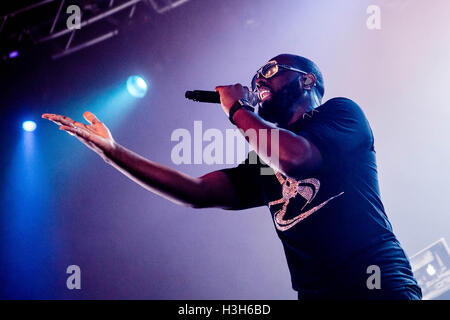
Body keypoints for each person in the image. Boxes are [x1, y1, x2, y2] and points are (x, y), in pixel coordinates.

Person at [42, 53, 422, 300]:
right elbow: (198, 192)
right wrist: (114, 153)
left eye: (270, 72)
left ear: (306, 81)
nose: (259, 80)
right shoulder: (264, 155)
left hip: (374, 280)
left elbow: (296, 159)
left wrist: (238, 107)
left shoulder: (340, 114)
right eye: (256, 77)